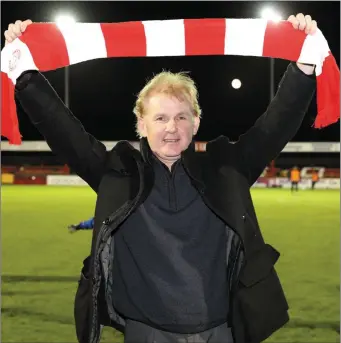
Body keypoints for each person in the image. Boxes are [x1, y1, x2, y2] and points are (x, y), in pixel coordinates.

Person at [6, 13, 318, 343]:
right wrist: (24, 73)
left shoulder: (225, 169)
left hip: (220, 331)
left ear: (196, 123)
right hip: (145, 332)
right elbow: (63, 130)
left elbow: (275, 126)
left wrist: (304, 67)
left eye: (181, 117)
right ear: (141, 124)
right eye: (161, 117)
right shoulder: (119, 173)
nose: (172, 127)